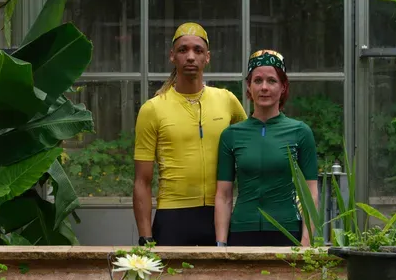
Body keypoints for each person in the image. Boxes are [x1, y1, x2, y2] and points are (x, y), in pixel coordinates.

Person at [133, 23, 247, 246]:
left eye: (198, 50)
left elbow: (250, 149)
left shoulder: (227, 100)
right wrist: (145, 238)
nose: (191, 57)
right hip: (172, 216)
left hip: (220, 216)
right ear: (172, 56)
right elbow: (142, 181)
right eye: (183, 50)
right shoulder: (153, 108)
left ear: (207, 57)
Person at [215, 50, 319, 247]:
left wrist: (306, 243)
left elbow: (311, 193)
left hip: (287, 231)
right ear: (248, 86)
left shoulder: (300, 132)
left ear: (283, 87)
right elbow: (224, 195)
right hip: (242, 231)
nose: (264, 87)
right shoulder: (231, 135)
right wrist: (221, 244)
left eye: (272, 81)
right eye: (258, 80)